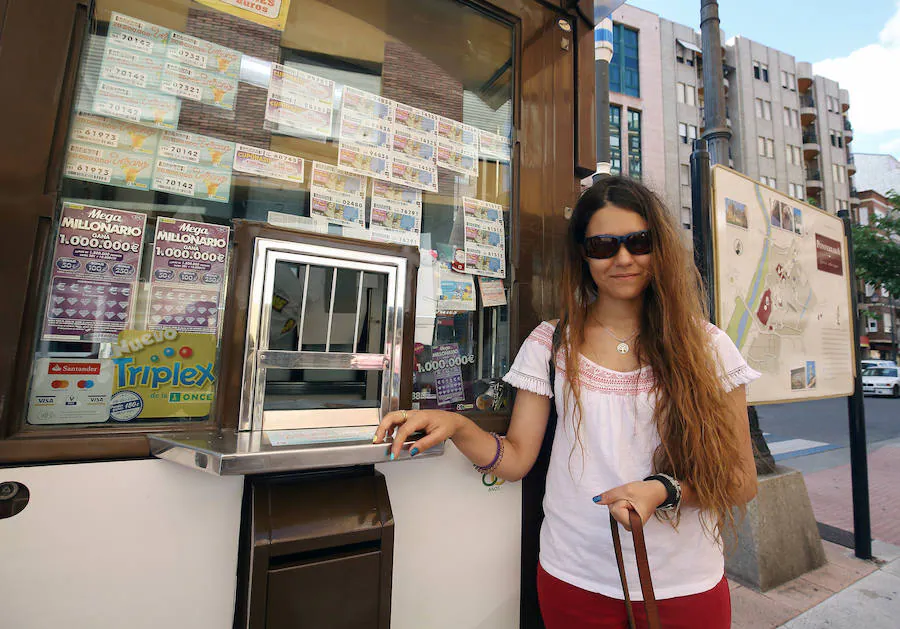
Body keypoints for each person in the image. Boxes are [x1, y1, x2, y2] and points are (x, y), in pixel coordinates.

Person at [374, 176, 760, 628]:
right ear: (583, 253)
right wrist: (458, 426)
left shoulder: (708, 347)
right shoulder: (550, 343)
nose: (623, 258)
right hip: (573, 578)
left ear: (660, 248)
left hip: (682, 585)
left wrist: (664, 490)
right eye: (603, 246)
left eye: (638, 242)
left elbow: (739, 480)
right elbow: (517, 459)